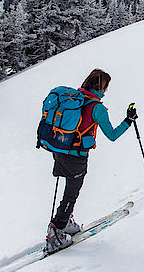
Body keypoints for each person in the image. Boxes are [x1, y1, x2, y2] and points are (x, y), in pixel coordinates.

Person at [45, 68, 137, 252]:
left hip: (60, 150)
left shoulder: (75, 98)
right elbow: (112, 135)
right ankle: (55, 231)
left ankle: (65, 222)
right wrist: (128, 120)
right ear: (102, 86)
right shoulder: (97, 108)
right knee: (71, 194)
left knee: (69, 191)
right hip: (76, 157)